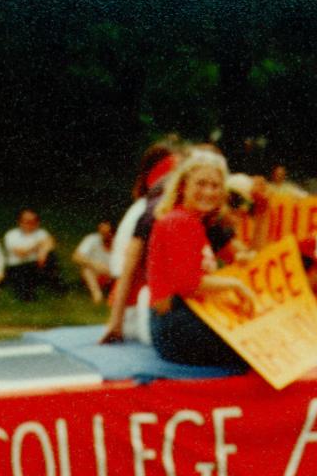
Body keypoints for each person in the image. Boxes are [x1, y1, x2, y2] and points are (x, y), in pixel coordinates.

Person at [145, 150, 257, 368]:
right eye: (201, 184)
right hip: (175, 327)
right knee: (259, 347)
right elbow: (188, 284)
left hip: (177, 324)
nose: (208, 192)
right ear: (183, 186)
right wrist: (235, 285)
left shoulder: (195, 221)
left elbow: (238, 257)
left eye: (215, 186)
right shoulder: (180, 221)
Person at [102, 141, 179, 343]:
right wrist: (115, 322)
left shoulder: (151, 208)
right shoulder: (150, 212)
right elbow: (126, 272)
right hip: (138, 309)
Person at [3, 208, 57, 301]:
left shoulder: (41, 232)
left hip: (36, 264)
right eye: (26, 221)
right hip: (18, 266)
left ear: (37, 222)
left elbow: (51, 243)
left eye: (33, 221)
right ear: (20, 222)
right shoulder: (11, 235)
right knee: (25, 293)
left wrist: (43, 252)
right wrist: (39, 245)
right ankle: (25, 290)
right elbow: (21, 253)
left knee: (51, 256)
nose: (29, 224)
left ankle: (53, 285)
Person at [72, 219, 115, 303]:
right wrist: (94, 264)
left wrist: (108, 270)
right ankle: (97, 295)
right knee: (86, 269)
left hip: (112, 274)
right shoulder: (92, 239)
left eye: (107, 232)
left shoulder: (118, 243)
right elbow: (76, 256)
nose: (104, 235)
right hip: (95, 274)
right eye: (102, 231)